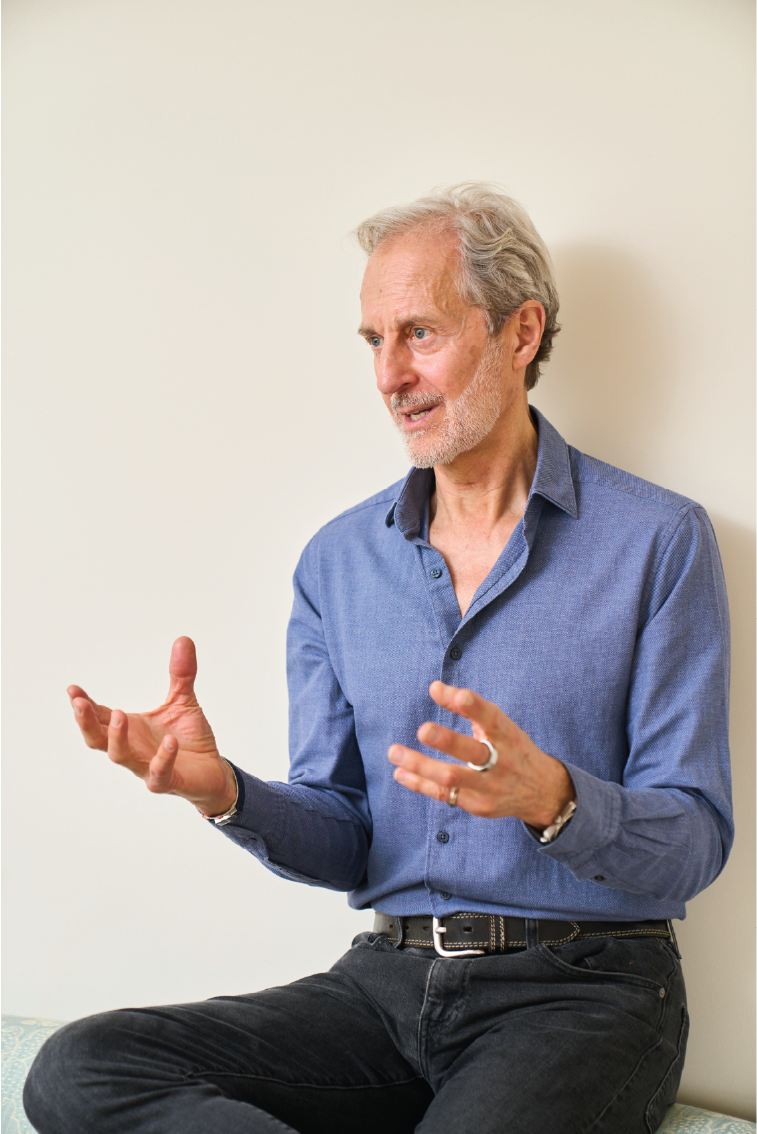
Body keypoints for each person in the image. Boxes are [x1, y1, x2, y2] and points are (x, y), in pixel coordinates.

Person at [24, 184, 733, 1134]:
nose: (389, 375)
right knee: (84, 1069)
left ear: (520, 333)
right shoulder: (336, 561)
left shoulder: (659, 542)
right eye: (372, 340)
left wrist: (553, 799)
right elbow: (348, 832)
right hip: (384, 987)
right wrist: (223, 791)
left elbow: (695, 840)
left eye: (420, 333)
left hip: (585, 995)